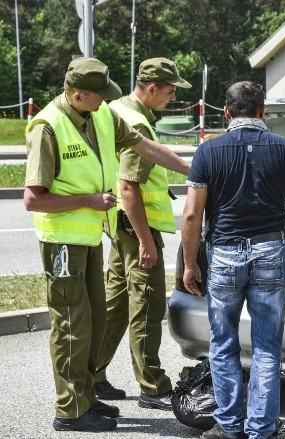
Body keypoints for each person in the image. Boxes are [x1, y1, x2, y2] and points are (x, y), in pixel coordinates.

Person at [23, 57, 190, 432]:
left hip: (88, 236)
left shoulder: (100, 115)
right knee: (70, 323)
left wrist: (199, 171)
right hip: (61, 242)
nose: (105, 102)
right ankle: (70, 409)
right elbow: (33, 199)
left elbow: (145, 146)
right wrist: (88, 201)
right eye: (99, 96)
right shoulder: (47, 128)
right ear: (77, 93)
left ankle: (87, 397)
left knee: (96, 319)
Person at [181, 80, 285, 439]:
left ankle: (229, 425)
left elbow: (191, 215)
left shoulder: (208, 152)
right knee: (266, 345)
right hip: (270, 251)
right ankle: (262, 429)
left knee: (223, 341)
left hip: (225, 253)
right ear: (263, 111)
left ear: (226, 113)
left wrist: (189, 264)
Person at [93, 58, 192, 410]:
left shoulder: (119, 108)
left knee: (115, 306)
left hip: (119, 224)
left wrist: (192, 167)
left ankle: (93, 376)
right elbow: (129, 187)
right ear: (151, 89)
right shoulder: (137, 122)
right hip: (137, 228)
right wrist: (147, 243)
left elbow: (156, 157)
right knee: (147, 306)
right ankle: (153, 386)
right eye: (169, 91)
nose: (172, 98)